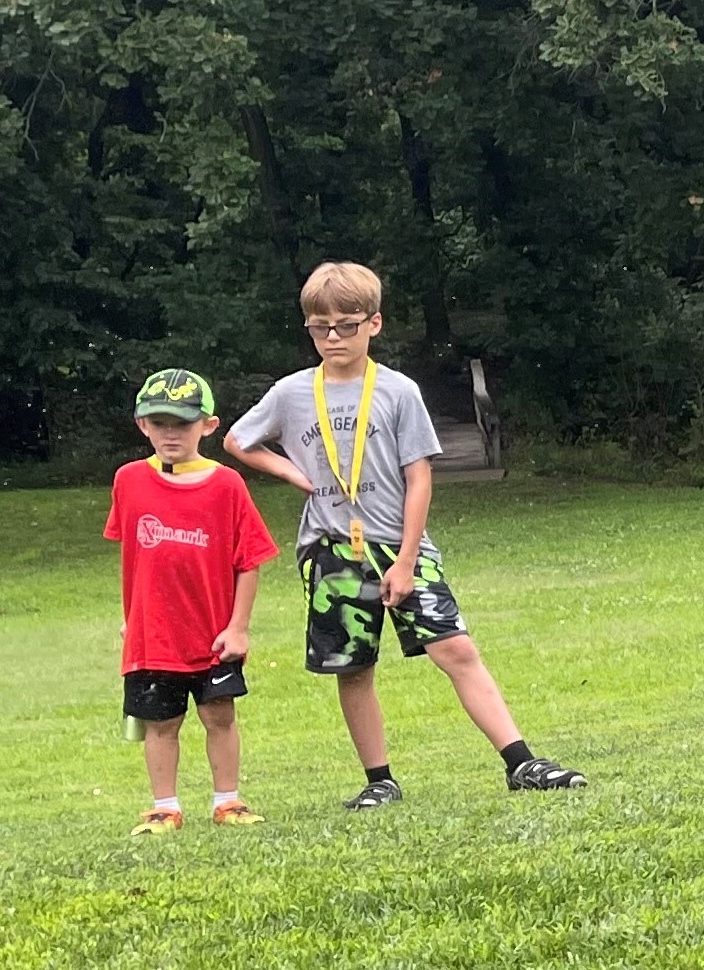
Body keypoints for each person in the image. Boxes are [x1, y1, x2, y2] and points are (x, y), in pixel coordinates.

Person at [224, 265, 586, 807]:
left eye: (346, 325)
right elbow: (236, 440)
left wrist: (407, 559)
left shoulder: (397, 390)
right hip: (331, 551)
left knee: (455, 648)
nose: (333, 338)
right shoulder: (292, 393)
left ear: (374, 324)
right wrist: (291, 473)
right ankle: (380, 781)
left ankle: (521, 761)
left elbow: (419, 476)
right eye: (320, 327)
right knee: (354, 668)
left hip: (399, 545)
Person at [107, 366, 275, 835]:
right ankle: (165, 807)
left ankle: (228, 801)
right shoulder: (128, 481)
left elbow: (249, 560)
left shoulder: (227, 485)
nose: (170, 433)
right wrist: (130, 619)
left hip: (213, 633)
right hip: (152, 635)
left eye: (182, 423)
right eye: (159, 423)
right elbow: (136, 559)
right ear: (143, 424)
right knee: (160, 723)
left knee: (219, 716)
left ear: (208, 425)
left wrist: (238, 627)